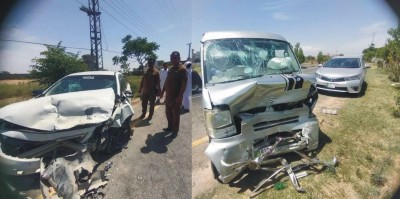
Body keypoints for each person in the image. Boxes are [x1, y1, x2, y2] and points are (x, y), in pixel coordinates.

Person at [160, 51, 187, 137]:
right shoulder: (171, 69)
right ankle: (170, 127)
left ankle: (175, 130)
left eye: (175, 58)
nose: (173, 60)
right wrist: (162, 91)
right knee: (168, 113)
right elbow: (166, 81)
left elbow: (184, 84)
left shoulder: (182, 69)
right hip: (168, 97)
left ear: (179, 58)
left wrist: (180, 96)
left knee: (175, 115)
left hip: (176, 97)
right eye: (172, 58)